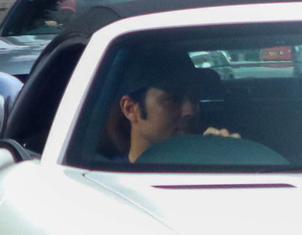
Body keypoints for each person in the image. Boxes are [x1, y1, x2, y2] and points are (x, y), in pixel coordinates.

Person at [98, 51, 231, 163]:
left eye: (195, 98)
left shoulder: (208, 163)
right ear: (130, 109)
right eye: (172, 99)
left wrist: (226, 157)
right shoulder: (103, 180)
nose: (190, 111)